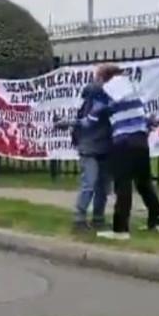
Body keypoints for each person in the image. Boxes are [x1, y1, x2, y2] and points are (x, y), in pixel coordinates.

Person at [81, 64, 159, 240]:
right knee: (144, 183)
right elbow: (143, 117)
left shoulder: (106, 91)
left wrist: (69, 124)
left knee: (123, 184)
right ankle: (155, 220)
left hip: (122, 142)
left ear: (102, 77)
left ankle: (120, 229)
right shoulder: (132, 88)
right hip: (141, 141)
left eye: (97, 77)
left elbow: (91, 120)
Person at [56, 82, 112, 230]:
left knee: (102, 187)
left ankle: (98, 219)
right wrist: (68, 123)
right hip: (89, 151)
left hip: (105, 149)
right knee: (90, 183)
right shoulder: (95, 108)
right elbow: (86, 123)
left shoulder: (105, 106)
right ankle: (79, 219)